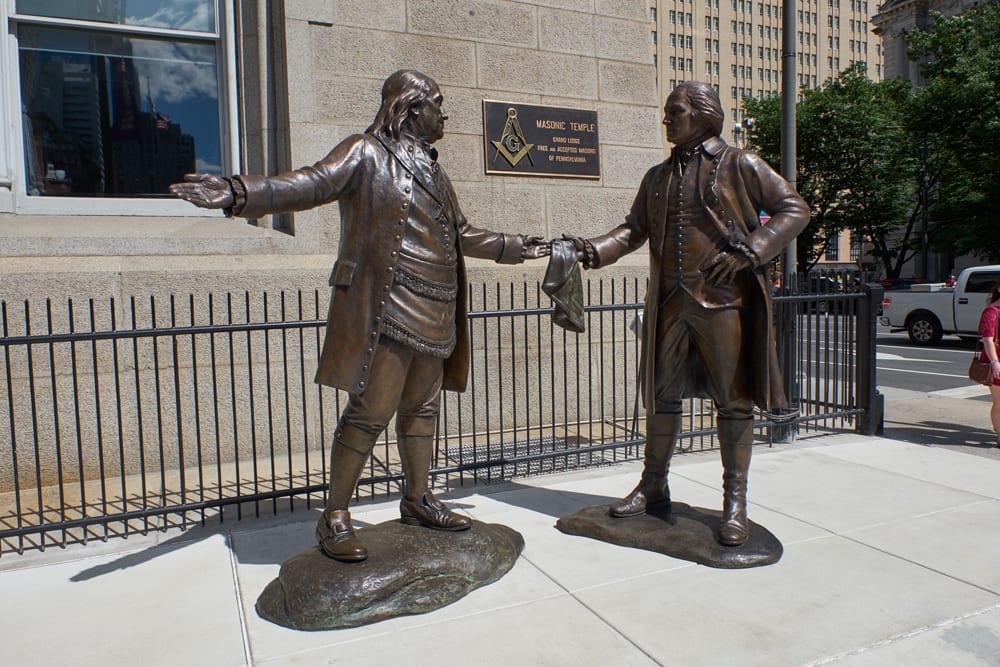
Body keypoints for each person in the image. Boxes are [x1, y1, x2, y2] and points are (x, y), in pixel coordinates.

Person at [170, 70, 549, 562]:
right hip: (388, 305)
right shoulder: (365, 152)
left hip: (436, 308)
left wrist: (517, 247)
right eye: (437, 102)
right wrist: (240, 192)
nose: (445, 112)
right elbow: (309, 183)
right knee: (369, 414)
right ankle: (335, 517)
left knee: (423, 411)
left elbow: (462, 233)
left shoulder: (435, 171)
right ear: (412, 108)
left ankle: (418, 499)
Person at [563, 81, 808, 546]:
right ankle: (654, 484)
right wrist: (590, 250)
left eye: (674, 111)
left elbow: (794, 209)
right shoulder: (657, 176)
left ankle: (734, 502)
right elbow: (633, 230)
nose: (666, 120)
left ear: (701, 114)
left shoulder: (740, 163)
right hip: (669, 303)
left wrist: (753, 250)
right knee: (661, 397)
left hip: (721, 302)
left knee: (733, 402)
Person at [977, 281, 1000, 447]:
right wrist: (994, 361)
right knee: (999, 402)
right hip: (997, 362)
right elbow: (987, 339)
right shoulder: (991, 312)